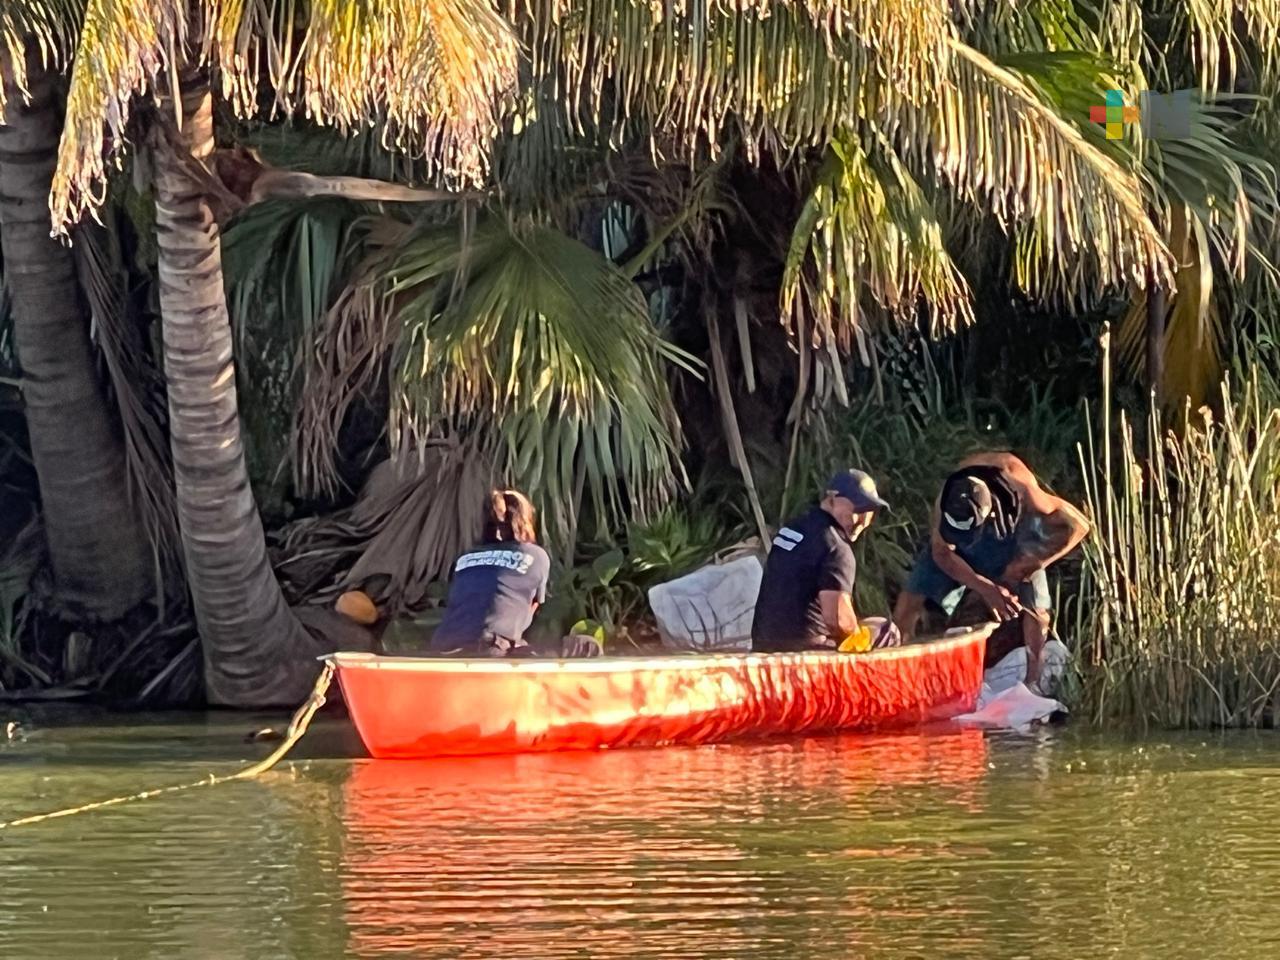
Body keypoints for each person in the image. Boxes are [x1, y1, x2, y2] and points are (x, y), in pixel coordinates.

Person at [892, 452, 1090, 690]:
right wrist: (985, 588)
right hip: (957, 548)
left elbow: (1079, 525)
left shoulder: (1024, 491)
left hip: (1012, 539)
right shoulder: (949, 497)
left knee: (1035, 607)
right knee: (910, 599)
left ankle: (1033, 682)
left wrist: (1036, 562)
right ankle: (898, 675)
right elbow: (942, 553)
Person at [430, 488, 595, 658]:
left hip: (442, 646)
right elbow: (532, 607)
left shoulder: (465, 557)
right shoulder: (535, 556)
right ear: (526, 521)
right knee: (587, 646)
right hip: (489, 648)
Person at [751, 469, 897, 653]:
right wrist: (856, 632)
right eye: (858, 509)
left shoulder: (792, 529)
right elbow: (837, 620)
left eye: (870, 511)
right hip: (808, 652)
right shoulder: (836, 548)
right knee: (887, 630)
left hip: (762, 647)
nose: (863, 520)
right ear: (831, 499)